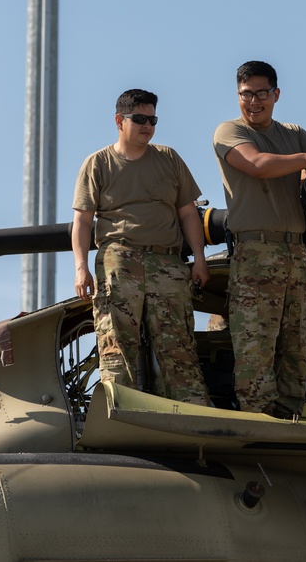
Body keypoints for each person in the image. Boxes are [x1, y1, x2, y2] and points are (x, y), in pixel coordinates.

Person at [212, 61, 306, 416]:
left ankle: (289, 414)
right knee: (256, 345)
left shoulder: (293, 132)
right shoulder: (229, 131)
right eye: (246, 94)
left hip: (295, 252)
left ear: (276, 94)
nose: (254, 101)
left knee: (296, 344)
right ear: (238, 95)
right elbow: (257, 164)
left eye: (261, 93)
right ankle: (257, 417)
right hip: (255, 251)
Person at [72, 88, 211, 406]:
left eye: (153, 120)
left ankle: (192, 417)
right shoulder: (98, 163)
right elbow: (82, 221)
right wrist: (81, 268)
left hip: (168, 263)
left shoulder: (169, 159)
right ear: (120, 121)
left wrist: (199, 258)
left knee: (179, 347)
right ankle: (120, 415)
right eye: (140, 119)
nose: (148, 125)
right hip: (120, 260)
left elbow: (188, 212)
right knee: (117, 346)